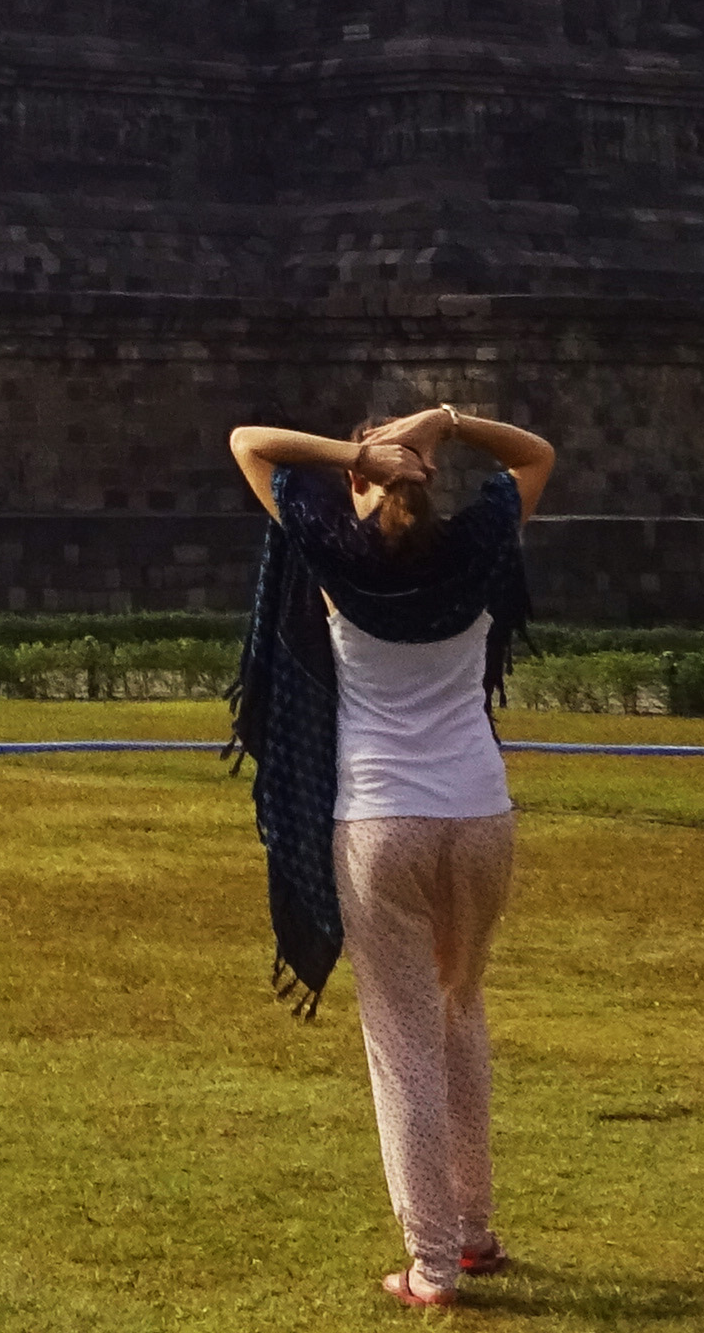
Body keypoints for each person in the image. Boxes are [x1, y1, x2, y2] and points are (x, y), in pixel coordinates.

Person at [222, 398, 558, 1308]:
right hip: (480, 815)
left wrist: (363, 448)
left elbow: (250, 443)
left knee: (403, 1042)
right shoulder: (477, 546)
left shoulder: (340, 556)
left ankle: (434, 1265)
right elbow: (537, 455)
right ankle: (476, 1232)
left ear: (363, 483)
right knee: (459, 1012)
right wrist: (448, 421)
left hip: (381, 824)